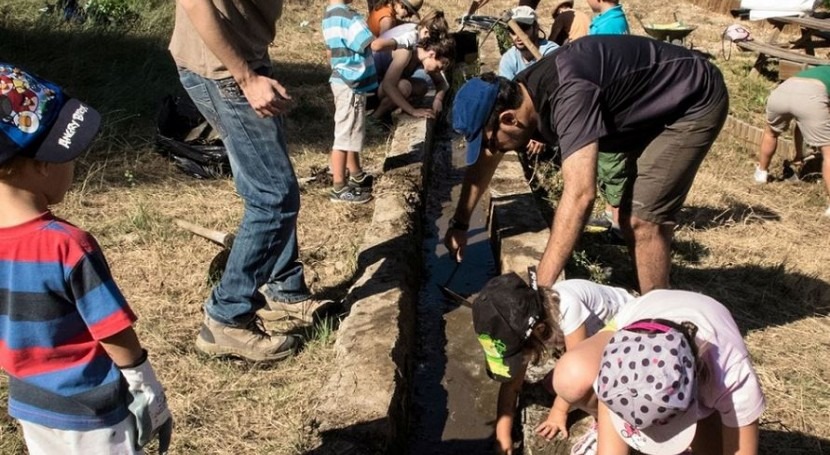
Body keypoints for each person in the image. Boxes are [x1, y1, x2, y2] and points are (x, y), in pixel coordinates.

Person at [446, 35, 729, 294]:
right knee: (637, 215)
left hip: (691, 99)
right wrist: (459, 223)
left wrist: (541, 290)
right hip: (648, 103)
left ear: (509, 119)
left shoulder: (568, 94)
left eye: (491, 142)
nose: (492, 151)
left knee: (642, 220)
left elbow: (581, 194)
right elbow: (484, 164)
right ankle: (654, 291)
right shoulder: (520, 94)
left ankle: (658, 327)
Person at [0, 64, 171, 454]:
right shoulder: (67, 245)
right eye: (69, 157)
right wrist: (146, 385)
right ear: (43, 164)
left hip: (30, 405)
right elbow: (111, 331)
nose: (74, 168)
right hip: (93, 412)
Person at [170, 0, 328, 362]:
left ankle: (284, 288)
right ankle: (227, 315)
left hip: (241, 59)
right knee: (274, 196)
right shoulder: (237, 74)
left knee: (267, 183)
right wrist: (246, 77)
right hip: (226, 70)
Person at [552, 290, 765, 455]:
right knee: (573, 375)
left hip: (707, 314)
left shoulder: (732, 376)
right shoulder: (617, 368)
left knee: (711, 449)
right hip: (643, 311)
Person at [472, 273, 634, 455]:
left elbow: (579, 369)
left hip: (630, 337)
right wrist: (502, 436)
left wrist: (558, 412)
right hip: (595, 341)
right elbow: (511, 385)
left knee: (576, 388)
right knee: (553, 385)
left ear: (540, 330)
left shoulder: (567, 308)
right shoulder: (528, 323)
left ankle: (609, 425)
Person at [755, 65, 830, 218]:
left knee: (771, 133)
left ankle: (761, 173)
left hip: (781, 92)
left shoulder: (820, 70)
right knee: (828, 152)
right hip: (812, 96)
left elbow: (801, 122)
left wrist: (799, 155)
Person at [323, 0, 378, 203]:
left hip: (344, 81)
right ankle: (339, 187)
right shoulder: (347, 17)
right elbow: (366, 39)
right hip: (350, 84)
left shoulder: (330, 14)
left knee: (352, 130)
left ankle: (356, 173)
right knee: (344, 135)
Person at [370, 35, 454, 122]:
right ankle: (375, 117)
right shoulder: (406, 52)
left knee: (421, 86)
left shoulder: (423, 57)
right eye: (438, 68)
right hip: (371, 89)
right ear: (432, 54)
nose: (437, 72)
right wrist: (413, 111)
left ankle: (391, 108)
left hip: (383, 87)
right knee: (404, 86)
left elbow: (442, 83)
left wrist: (438, 99)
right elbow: (388, 85)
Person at [498, 6, 560, 81]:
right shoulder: (508, 59)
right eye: (512, 30)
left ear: (536, 28)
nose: (518, 35)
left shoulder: (552, 52)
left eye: (524, 28)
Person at [370, 9, 450, 53]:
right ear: (426, 32)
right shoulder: (412, 38)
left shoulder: (415, 27)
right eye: (433, 40)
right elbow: (376, 45)